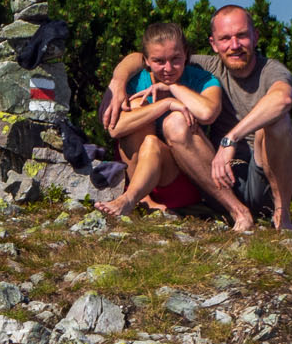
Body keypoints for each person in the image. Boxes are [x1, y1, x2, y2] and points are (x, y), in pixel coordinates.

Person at [104, 5, 292, 230]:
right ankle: (235, 211)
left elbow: (282, 99)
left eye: (242, 36)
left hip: (264, 171)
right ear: (213, 44)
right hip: (216, 175)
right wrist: (117, 83)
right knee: (172, 122)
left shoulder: (270, 70)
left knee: (278, 122)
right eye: (225, 38)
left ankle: (282, 215)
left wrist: (231, 139)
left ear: (255, 37)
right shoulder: (194, 65)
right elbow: (145, 56)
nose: (234, 45)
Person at [95, 22, 251, 227]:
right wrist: (166, 104)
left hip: (181, 176)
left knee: (175, 122)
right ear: (147, 61)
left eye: (175, 59)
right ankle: (138, 200)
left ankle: (238, 211)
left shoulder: (202, 79)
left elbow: (207, 113)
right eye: (159, 61)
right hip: (139, 172)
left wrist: (174, 88)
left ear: (186, 54)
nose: (168, 68)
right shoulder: (136, 81)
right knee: (138, 111)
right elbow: (115, 128)